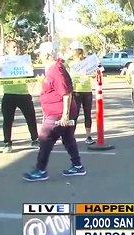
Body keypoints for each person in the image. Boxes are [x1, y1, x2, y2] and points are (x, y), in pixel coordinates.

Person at [23, 42, 85, 182]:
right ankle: (78, 166)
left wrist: (65, 115)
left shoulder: (56, 70)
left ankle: (40, 170)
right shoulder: (52, 68)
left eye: (40, 53)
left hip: (58, 113)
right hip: (59, 111)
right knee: (68, 138)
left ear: (46, 54)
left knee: (46, 138)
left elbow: (67, 94)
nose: (38, 55)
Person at [0, 39, 39, 153]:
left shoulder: (23, 60)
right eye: (13, 47)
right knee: (8, 120)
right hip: (9, 94)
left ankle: (35, 139)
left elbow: (30, 76)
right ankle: (7, 143)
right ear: (7, 48)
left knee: (31, 118)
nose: (15, 48)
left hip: (23, 94)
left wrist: (31, 70)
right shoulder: (2, 61)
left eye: (16, 46)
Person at [67, 41, 95, 145]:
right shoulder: (69, 62)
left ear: (79, 50)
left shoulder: (87, 61)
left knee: (88, 114)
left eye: (74, 49)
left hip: (87, 90)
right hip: (75, 91)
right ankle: (71, 136)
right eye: (72, 49)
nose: (73, 51)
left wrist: (94, 74)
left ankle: (88, 136)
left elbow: (94, 72)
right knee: (74, 114)